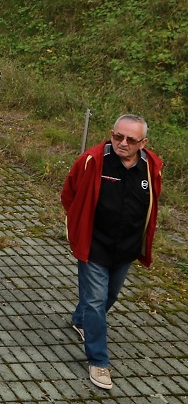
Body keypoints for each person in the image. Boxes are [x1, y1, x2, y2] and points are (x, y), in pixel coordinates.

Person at [61, 114, 162, 391]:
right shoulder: (93, 160)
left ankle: (81, 321)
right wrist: (79, 225)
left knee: (110, 296)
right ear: (111, 134)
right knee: (95, 301)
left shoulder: (151, 166)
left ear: (143, 142)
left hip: (126, 249)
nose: (123, 143)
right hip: (94, 246)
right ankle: (98, 360)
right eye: (118, 136)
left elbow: (152, 203)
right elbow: (69, 194)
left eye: (131, 139)